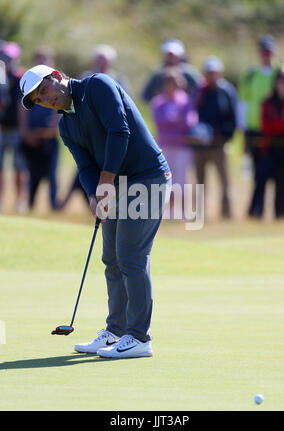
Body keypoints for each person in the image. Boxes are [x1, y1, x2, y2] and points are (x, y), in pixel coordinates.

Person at [20, 64, 171, 359]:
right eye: (38, 98)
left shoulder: (97, 86)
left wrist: (105, 182)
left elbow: (120, 130)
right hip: (115, 183)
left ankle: (139, 337)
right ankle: (116, 330)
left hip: (146, 177)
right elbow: (86, 166)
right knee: (112, 258)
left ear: (57, 76)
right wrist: (93, 194)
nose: (45, 98)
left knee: (131, 255)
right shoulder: (66, 126)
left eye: (44, 89)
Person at [58, 44, 131, 210]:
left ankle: (67, 203)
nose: (102, 63)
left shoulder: (118, 79)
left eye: (105, 60)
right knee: (85, 168)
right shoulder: (85, 77)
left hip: (110, 133)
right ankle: (77, 202)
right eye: (99, 59)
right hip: (90, 136)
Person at [189, 56, 237, 219]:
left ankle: (226, 214)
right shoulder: (199, 91)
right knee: (200, 182)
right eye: (209, 72)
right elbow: (192, 114)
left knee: (224, 182)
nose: (211, 75)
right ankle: (200, 215)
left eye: (214, 72)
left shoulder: (226, 91)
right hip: (200, 145)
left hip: (219, 144)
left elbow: (232, 117)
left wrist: (224, 136)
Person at [250, 69, 284, 218]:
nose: (283, 85)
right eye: (280, 82)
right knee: (260, 179)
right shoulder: (268, 102)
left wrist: (277, 123)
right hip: (270, 147)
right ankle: (255, 213)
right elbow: (266, 125)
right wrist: (281, 124)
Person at [238, 35, 278, 217]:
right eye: (264, 52)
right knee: (258, 174)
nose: (266, 55)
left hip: (276, 132)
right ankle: (256, 211)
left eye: (269, 52)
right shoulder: (251, 75)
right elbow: (243, 103)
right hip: (255, 130)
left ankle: (279, 212)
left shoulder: (281, 74)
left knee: (276, 173)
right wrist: (243, 129)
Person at [151, 67, 197, 216]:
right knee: (165, 179)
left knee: (181, 180)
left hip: (182, 145)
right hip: (164, 145)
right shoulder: (158, 101)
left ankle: (181, 211)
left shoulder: (185, 100)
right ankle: (167, 210)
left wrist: (173, 121)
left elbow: (189, 122)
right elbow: (159, 121)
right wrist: (176, 120)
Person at [19, 48, 60, 210]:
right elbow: (21, 109)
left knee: (52, 174)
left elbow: (61, 111)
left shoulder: (56, 84)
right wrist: (26, 132)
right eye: (39, 59)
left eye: (45, 59)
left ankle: (53, 206)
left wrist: (53, 129)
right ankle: (30, 205)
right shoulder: (28, 82)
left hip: (49, 138)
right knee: (32, 174)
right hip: (32, 137)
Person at [0, 41, 27, 213]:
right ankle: (1, 201)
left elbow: (21, 106)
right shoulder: (1, 77)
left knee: (19, 168)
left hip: (16, 130)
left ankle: (20, 201)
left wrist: (24, 130)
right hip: (1, 129)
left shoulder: (20, 77)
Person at [141, 38, 201, 103]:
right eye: (168, 55)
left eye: (173, 55)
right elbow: (145, 95)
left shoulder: (189, 73)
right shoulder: (157, 74)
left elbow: (201, 91)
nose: (171, 58)